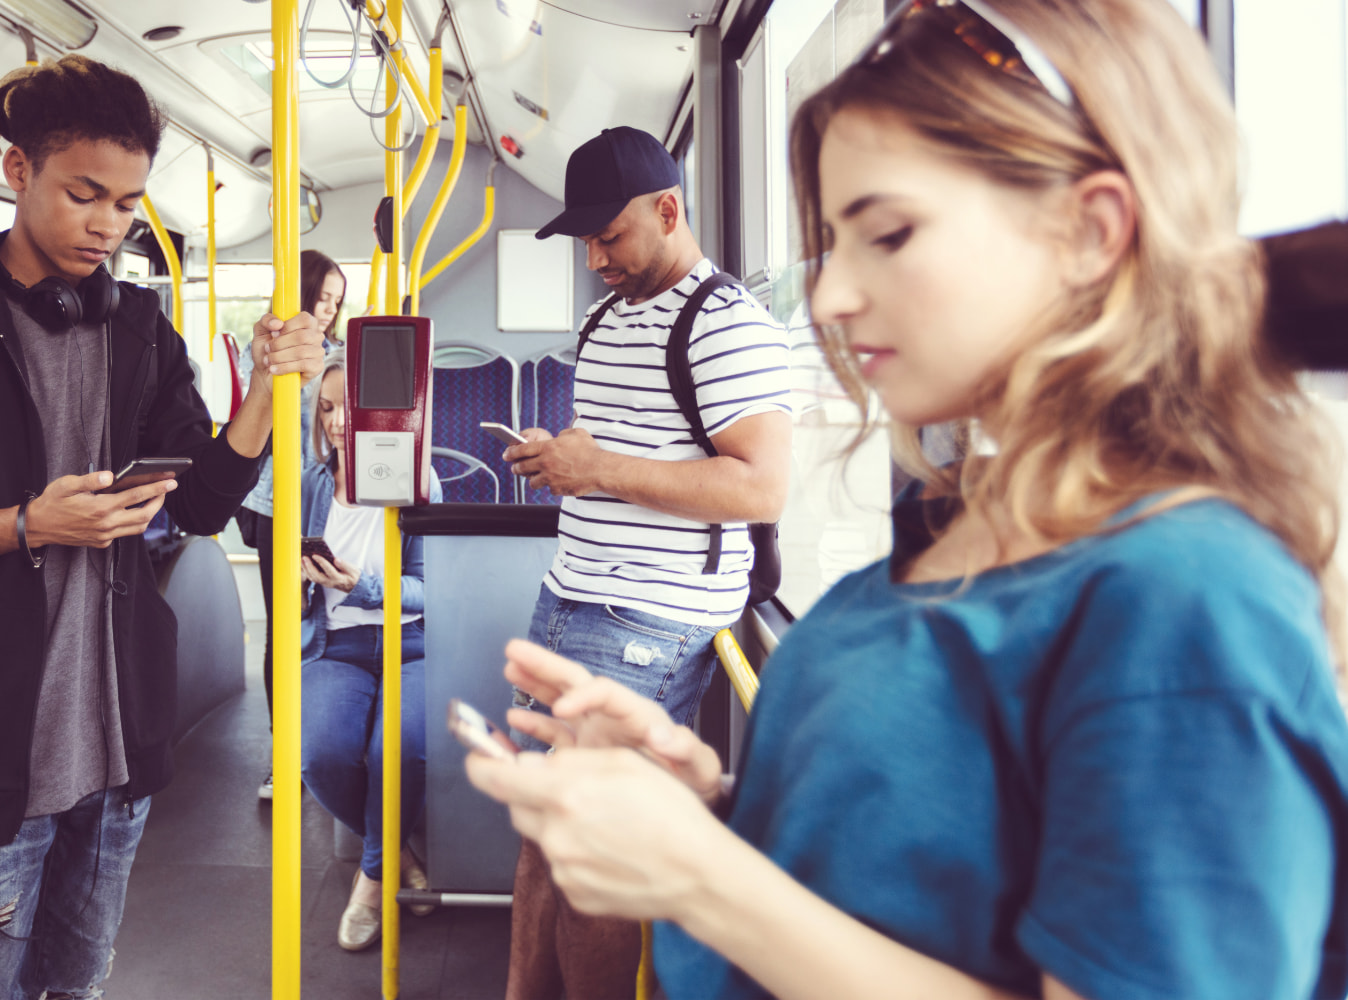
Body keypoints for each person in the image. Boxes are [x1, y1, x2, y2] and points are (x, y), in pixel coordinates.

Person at [466, 2, 1348, 999]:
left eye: (889, 232)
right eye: (835, 241)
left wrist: (701, 878)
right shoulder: (959, 526)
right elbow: (912, 881)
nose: (833, 295)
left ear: (1091, 234)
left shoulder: (1189, 604)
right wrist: (711, 801)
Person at [0, 55, 324, 999]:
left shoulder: (141, 330)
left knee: (78, 983)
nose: (109, 225)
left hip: (117, 740)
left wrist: (269, 400)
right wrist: (29, 523)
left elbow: (197, 501)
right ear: (18, 173)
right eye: (85, 195)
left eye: (129, 204)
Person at [495, 125, 792, 997]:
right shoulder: (602, 319)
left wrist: (599, 470)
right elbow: (621, 458)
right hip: (567, 601)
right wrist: (562, 459)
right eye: (584, 240)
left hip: (645, 626)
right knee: (541, 830)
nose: (595, 258)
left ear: (670, 210)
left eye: (610, 236)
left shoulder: (727, 325)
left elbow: (760, 489)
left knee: (593, 852)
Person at [297, 347, 441, 951]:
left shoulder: (417, 480)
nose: (334, 422)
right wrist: (302, 576)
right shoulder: (309, 484)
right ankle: (398, 856)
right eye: (326, 409)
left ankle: (371, 879)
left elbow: (435, 588)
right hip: (340, 645)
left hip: (411, 643)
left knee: (396, 752)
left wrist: (365, 583)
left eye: (347, 409)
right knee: (321, 759)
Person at [237, 247, 345, 800]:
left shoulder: (341, 361)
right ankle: (284, 752)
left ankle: (323, 746)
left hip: (326, 504)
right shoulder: (267, 353)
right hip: (274, 505)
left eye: (336, 301)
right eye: (322, 297)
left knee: (322, 626)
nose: (328, 309)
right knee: (283, 628)